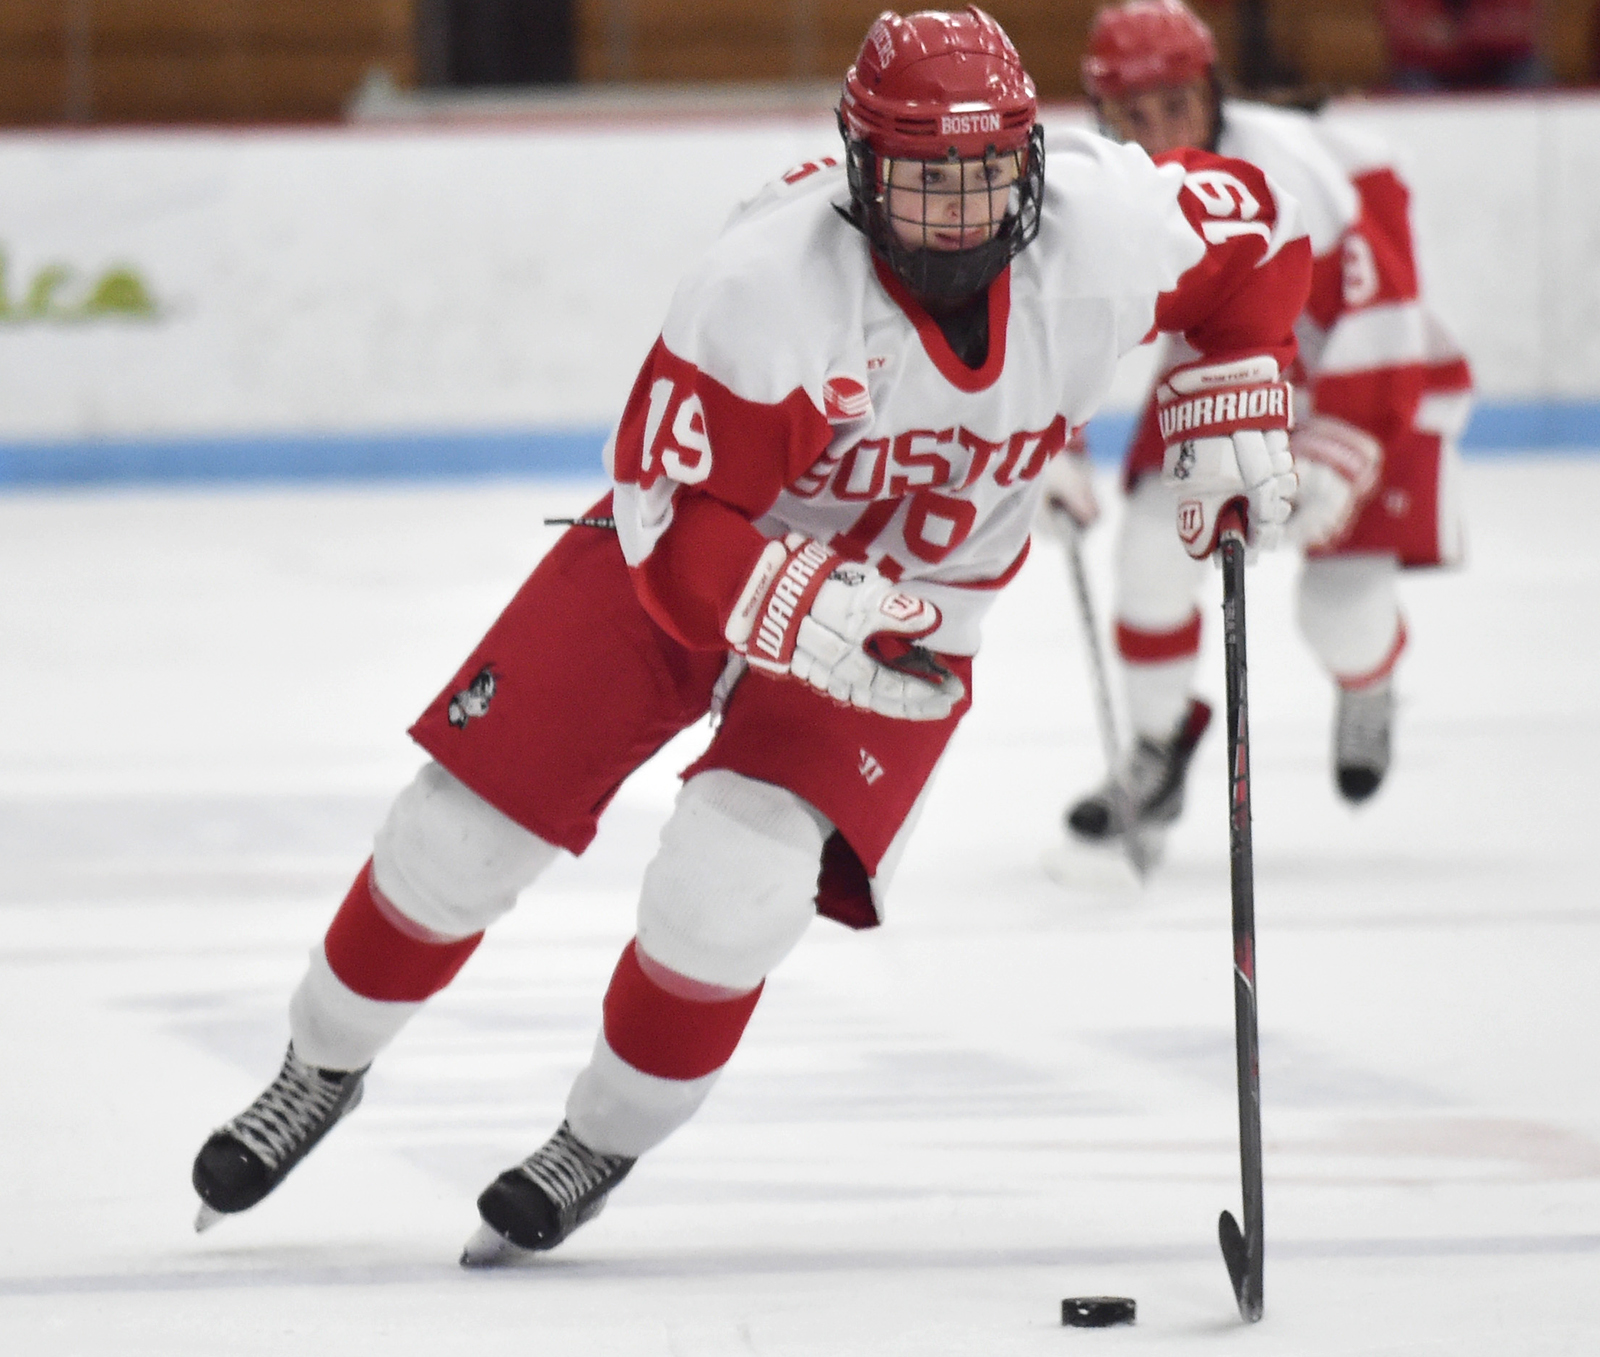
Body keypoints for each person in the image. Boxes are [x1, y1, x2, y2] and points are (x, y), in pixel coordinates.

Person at [190, 5, 1310, 1265]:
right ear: (856, 167)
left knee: (732, 897)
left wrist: (1236, 381)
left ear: (1032, 161)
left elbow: (1263, 234)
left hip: (915, 606)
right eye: (923, 183)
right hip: (701, 549)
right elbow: (672, 529)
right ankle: (319, 1063)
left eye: (985, 177)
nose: (960, 216)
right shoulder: (761, 287)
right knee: (459, 829)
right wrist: (783, 601)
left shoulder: (1107, 226)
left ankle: (601, 1137)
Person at [1049, 0, 1473, 859]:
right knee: (1146, 560)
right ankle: (1156, 752)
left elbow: (1383, 311)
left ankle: (1370, 680)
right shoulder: (1103, 189)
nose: (1157, 128)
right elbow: (1054, 316)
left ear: (1213, 90)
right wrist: (1046, 443)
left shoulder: (1289, 174)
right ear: (1100, 112)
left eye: (1175, 103)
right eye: (1133, 111)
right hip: (1236, 377)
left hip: (1370, 387)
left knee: (1339, 612)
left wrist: (1342, 448)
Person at [1379, 0, 1551, 90]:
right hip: (1430, 67)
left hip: (1500, 62)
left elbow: (1519, 27)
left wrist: (1460, 33)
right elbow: (1403, 30)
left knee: (1530, 72)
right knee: (1411, 81)